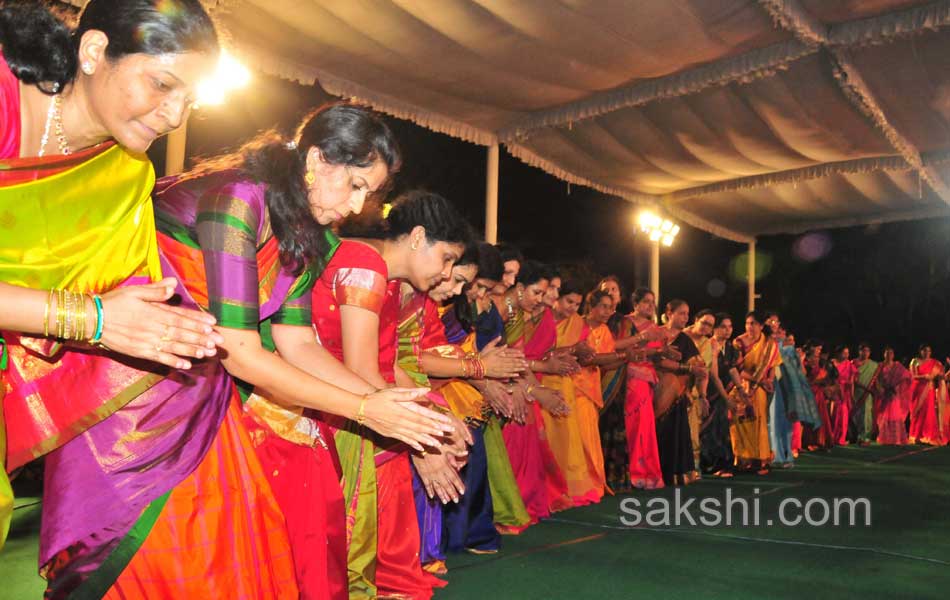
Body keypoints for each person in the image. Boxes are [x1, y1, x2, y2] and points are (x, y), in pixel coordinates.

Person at [0, 0, 224, 550]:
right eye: (162, 85)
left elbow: (129, 306)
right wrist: (92, 318)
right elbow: (99, 316)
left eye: (188, 101)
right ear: (95, 51)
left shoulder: (124, 175)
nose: (174, 117)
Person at [312, 190, 472, 599]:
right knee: (344, 557)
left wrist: (436, 415)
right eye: (448, 258)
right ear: (417, 236)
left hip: (358, 404)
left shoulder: (386, 276)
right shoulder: (365, 264)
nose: (447, 274)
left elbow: (387, 365)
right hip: (334, 412)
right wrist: (422, 441)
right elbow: (362, 371)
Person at [500, 261, 572, 522]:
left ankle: (518, 501)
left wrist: (537, 389)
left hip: (513, 380)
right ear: (520, 287)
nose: (543, 298)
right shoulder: (506, 308)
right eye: (539, 292)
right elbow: (511, 356)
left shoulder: (514, 311)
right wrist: (537, 389)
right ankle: (508, 504)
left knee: (525, 438)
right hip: (491, 383)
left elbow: (516, 357)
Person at [654, 299, 705, 485]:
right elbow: (653, 358)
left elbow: (697, 365)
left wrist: (692, 374)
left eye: (687, 314)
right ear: (669, 314)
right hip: (652, 390)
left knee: (675, 432)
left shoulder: (685, 340)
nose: (686, 317)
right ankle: (653, 471)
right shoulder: (656, 334)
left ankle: (675, 473)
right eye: (681, 313)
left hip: (677, 394)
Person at [729, 310, 780, 475]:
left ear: (761, 325)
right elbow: (736, 368)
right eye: (747, 323)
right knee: (741, 423)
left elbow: (772, 365)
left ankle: (760, 460)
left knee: (759, 422)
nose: (750, 327)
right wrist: (758, 380)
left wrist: (770, 380)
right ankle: (742, 459)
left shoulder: (769, 343)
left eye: (753, 323)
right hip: (741, 386)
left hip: (760, 389)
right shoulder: (739, 342)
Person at [700, 313, 740, 477]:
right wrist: (725, 397)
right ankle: (710, 465)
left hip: (723, 393)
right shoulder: (710, 345)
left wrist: (741, 391)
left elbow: (732, 369)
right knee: (710, 429)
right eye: (723, 326)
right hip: (710, 392)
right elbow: (713, 375)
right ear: (714, 329)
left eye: (730, 326)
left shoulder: (730, 348)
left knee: (722, 428)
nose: (727, 330)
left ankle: (724, 463)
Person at [876, 347, 912, 445]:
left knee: (895, 415)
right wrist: (881, 389)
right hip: (884, 394)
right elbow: (876, 379)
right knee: (883, 415)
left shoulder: (897, 366)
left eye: (891, 353)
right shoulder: (880, 366)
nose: (889, 355)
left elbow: (907, 376)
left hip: (894, 394)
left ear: (893, 355)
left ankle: (896, 439)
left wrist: (896, 387)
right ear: (884, 354)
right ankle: (885, 438)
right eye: (887, 353)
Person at [908, 345, 942, 445]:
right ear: (920, 351)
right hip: (917, 389)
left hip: (929, 390)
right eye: (924, 350)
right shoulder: (915, 361)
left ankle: (926, 436)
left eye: (928, 351)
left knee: (928, 412)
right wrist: (924, 376)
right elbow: (913, 376)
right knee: (917, 412)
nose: (926, 352)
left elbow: (941, 375)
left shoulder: (935, 363)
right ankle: (915, 436)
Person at [851, 343, 880, 444]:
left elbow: (875, 380)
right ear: (859, 351)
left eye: (867, 351)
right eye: (863, 351)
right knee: (856, 414)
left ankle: (865, 437)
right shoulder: (853, 363)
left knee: (866, 414)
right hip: (855, 392)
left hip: (868, 394)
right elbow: (852, 379)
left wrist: (875, 390)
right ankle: (857, 435)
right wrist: (865, 388)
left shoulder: (874, 365)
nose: (865, 353)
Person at [831, 346, 856, 446]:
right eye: (844, 353)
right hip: (834, 390)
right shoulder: (832, 363)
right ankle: (831, 437)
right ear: (838, 353)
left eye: (847, 353)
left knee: (844, 416)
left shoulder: (849, 365)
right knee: (833, 415)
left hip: (845, 392)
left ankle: (841, 438)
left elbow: (852, 381)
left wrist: (852, 395)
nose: (846, 355)